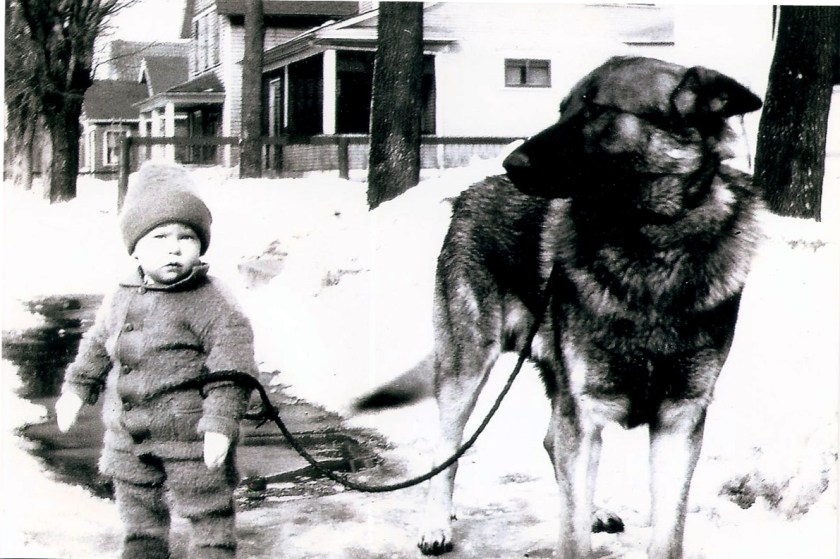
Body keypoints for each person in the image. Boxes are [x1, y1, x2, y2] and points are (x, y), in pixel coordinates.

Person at [55, 161, 259, 559]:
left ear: (201, 245)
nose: (174, 247)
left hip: (191, 441)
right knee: (140, 525)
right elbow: (98, 345)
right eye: (160, 236)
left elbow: (231, 372)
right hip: (127, 440)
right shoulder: (123, 294)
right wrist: (76, 390)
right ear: (135, 245)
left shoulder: (214, 302)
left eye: (186, 237)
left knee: (209, 521)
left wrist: (219, 425)